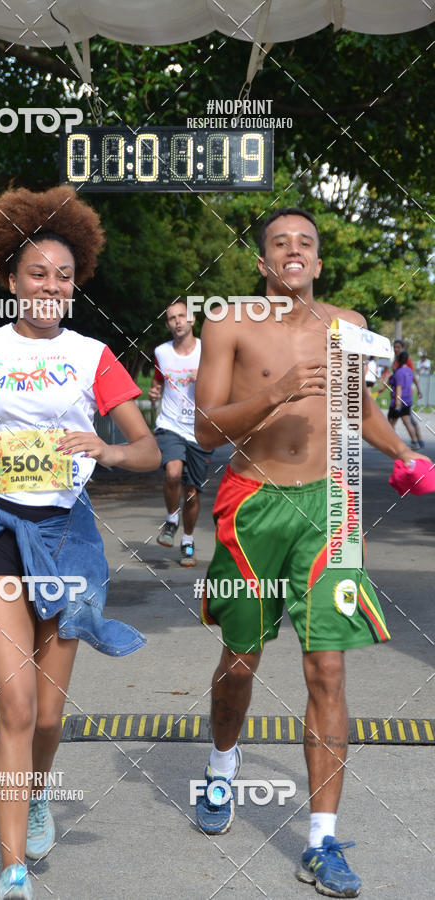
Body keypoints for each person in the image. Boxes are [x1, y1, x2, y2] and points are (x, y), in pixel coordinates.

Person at [0, 185, 160, 900]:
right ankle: (12, 868)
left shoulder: (92, 358)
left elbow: (148, 451)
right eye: (37, 273)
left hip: (67, 537)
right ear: (9, 278)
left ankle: (36, 791)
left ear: (76, 287)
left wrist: (104, 452)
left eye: (64, 277)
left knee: (47, 712)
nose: (50, 286)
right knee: (13, 704)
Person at [193, 208, 430, 898]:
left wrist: (403, 452)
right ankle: (221, 766)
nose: (293, 251)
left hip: (331, 509)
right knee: (240, 663)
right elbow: (206, 429)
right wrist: (271, 396)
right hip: (252, 506)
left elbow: (359, 409)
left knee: (326, 670)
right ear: (263, 263)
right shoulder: (228, 322)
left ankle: (321, 843)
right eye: (279, 243)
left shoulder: (348, 327)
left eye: (305, 244)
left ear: (318, 263)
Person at [149, 299, 214, 566]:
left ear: (192, 320)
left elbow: (224, 387)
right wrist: (154, 392)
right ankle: (170, 520)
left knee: (192, 493)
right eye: (171, 318)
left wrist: (206, 379)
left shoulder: (207, 351)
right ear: (167, 324)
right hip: (170, 424)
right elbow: (158, 381)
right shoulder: (162, 352)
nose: (177, 321)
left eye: (181, 316)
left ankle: (187, 540)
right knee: (173, 471)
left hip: (199, 429)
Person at [390, 339, 425, 448]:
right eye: (394, 347)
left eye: (398, 347)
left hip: (402, 395)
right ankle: (416, 441)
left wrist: (419, 389)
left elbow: (412, 375)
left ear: (403, 348)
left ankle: (418, 439)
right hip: (401, 395)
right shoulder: (395, 360)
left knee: (407, 420)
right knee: (405, 419)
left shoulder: (406, 360)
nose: (396, 349)